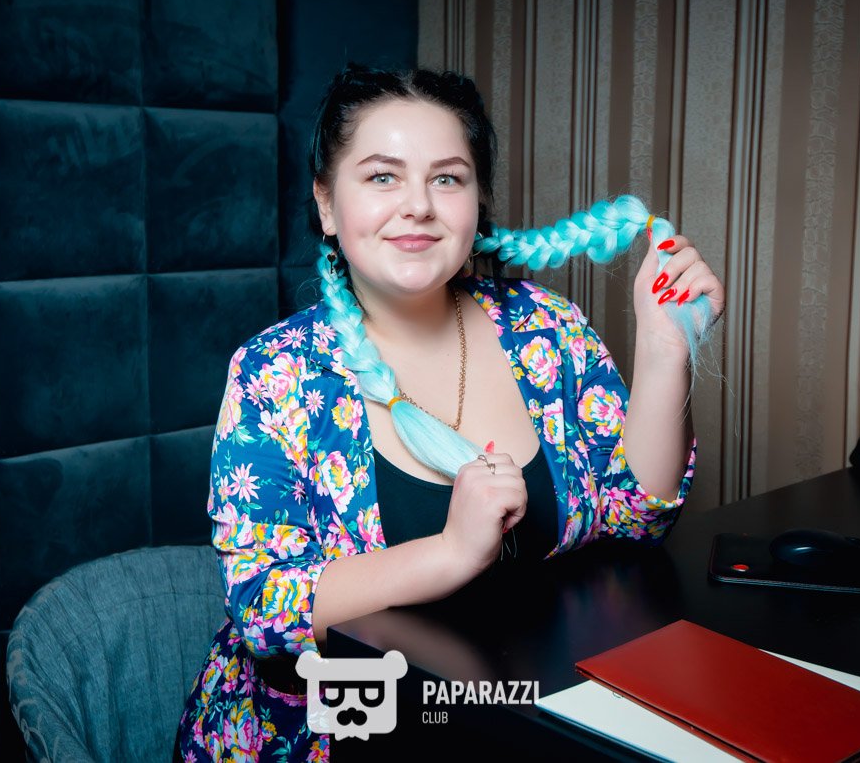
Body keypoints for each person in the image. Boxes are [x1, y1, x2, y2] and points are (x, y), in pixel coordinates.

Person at [175, 64, 726, 762]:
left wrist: (664, 349)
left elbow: (636, 516)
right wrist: (452, 552)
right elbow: (263, 607)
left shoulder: (546, 327)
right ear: (326, 204)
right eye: (382, 177)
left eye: (447, 178)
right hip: (338, 736)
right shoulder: (275, 372)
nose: (418, 206)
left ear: (478, 200)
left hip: (520, 717)